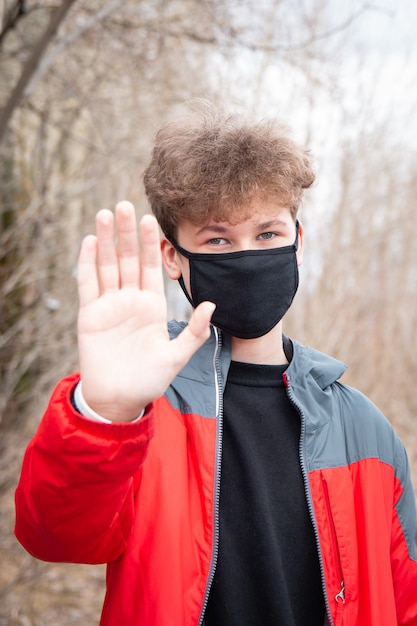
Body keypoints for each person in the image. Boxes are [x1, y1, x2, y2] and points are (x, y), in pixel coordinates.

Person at [15, 101, 417, 626]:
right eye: (218, 239)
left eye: (268, 234)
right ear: (172, 256)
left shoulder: (365, 431)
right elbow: (54, 536)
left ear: (299, 243)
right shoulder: (136, 410)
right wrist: (106, 413)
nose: (247, 255)